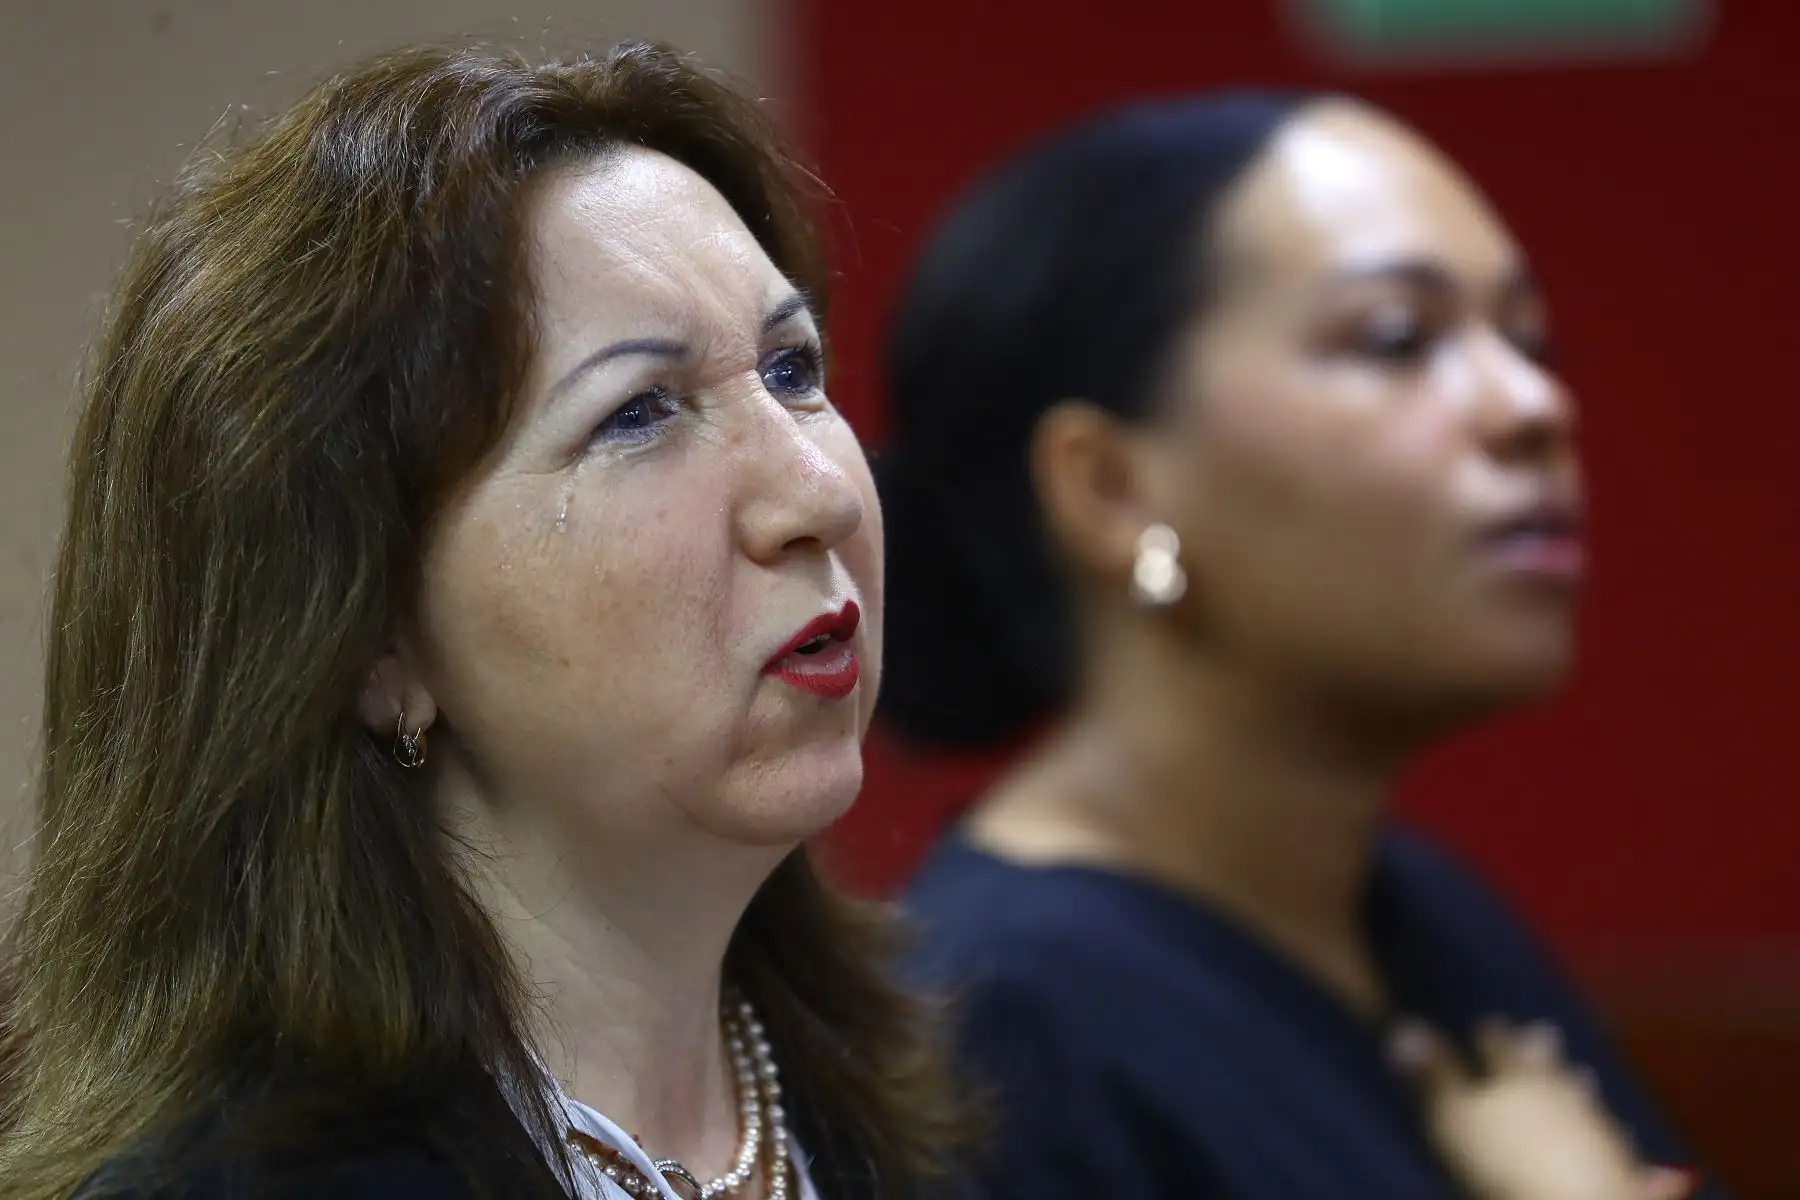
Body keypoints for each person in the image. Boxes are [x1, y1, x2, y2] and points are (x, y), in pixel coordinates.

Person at [0, 41, 962, 1200]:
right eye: (639, 413)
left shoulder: (919, 1118)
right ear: (372, 645)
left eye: (793, 368)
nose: (817, 492)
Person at [877, 93, 1711, 1199]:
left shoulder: (1425, 917)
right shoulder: (1002, 1033)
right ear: (1111, 488)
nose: (1534, 404)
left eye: (1527, 340)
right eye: (1399, 339)